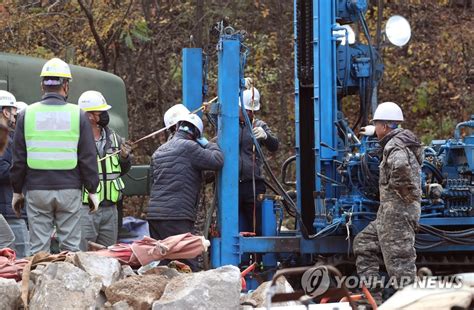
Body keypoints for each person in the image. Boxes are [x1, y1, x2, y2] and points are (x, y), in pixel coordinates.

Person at [11, 57, 99, 254]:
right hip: (70, 189)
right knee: (70, 249)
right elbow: (87, 157)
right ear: (65, 85)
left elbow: (19, 159)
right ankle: (69, 284)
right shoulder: (78, 114)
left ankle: (38, 283)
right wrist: (92, 190)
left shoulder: (27, 114)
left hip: (37, 190)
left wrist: (17, 191)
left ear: (42, 86)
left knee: (39, 249)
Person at [353, 102, 422, 304]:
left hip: (397, 215)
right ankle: (372, 299)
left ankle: (414, 306)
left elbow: (400, 166)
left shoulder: (395, 146)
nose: (376, 130)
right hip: (388, 214)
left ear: (385, 126)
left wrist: (403, 192)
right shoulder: (401, 140)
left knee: (400, 267)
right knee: (364, 243)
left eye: (377, 125)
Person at [147, 113, 223, 271]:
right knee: (187, 262)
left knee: (164, 261)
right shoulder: (190, 147)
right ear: (196, 133)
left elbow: (154, 182)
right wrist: (208, 144)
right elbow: (217, 160)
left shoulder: (159, 151)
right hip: (177, 215)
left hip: (155, 215)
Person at [78, 90, 132, 251]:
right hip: (86, 209)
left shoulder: (115, 138)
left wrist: (124, 158)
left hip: (110, 209)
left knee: (109, 255)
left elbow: (122, 170)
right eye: (100, 112)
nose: (105, 115)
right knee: (84, 254)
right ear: (89, 116)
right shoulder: (76, 139)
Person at [238, 82, 279, 236]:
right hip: (231, 185)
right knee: (230, 227)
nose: (250, 114)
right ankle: (237, 259)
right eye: (247, 110)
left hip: (253, 184)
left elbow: (274, 145)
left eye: (253, 111)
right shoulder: (227, 125)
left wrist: (266, 136)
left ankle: (258, 258)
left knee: (257, 228)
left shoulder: (259, 125)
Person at [0, 91, 30, 258]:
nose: (15, 116)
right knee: (21, 261)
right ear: (5, 112)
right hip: (9, 214)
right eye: (13, 112)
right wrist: (24, 168)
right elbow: (2, 170)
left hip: (8, 211)